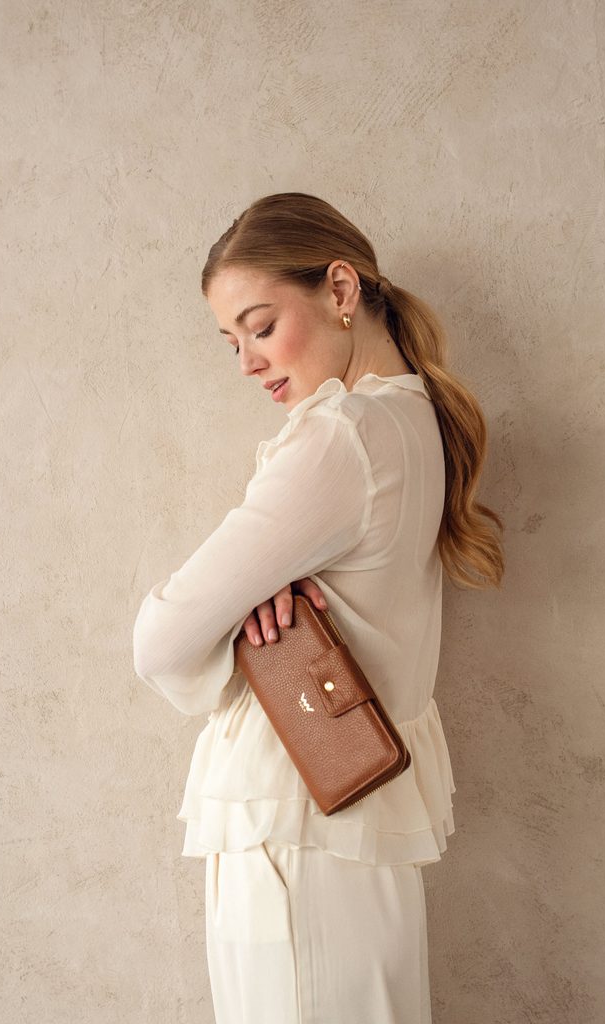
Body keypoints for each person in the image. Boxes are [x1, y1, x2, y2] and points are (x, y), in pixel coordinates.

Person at [132, 192, 504, 1024]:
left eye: (261, 327)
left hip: (292, 830)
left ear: (341, 290)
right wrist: (250, 611)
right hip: (350, 828)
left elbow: (159, 642)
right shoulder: (415, 421)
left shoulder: (341, 434)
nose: (247, 363)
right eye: (231, 342)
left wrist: (232, 628)